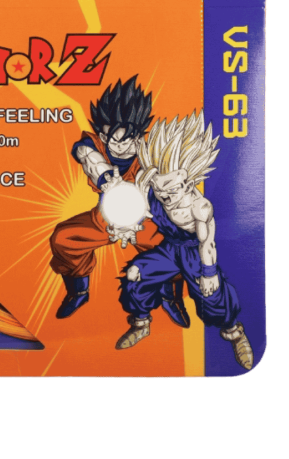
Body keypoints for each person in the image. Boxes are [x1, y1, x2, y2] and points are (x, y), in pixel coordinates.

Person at [112, 112, 254, 370]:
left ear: (187, 183)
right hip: (169, 249)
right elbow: (136, 206)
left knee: (213, 294)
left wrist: (209, 273)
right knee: (134, 275)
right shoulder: (150, 183)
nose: (164, 196)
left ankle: (234, 332)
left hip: (194, 252)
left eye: (171, 190)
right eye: (159, 189)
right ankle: (141, 323)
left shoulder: (199, 207)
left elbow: (207, 244)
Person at [50, 76, 190, 325]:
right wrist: (108, 179)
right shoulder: (92, 145)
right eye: (114, 139)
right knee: (64, 238)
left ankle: (171, 296)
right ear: (103, 136)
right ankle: (78, 292)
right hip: (105, 218)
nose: (122, 146)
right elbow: (87, 156)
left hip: (146, 221)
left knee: (173, 247)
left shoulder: (152, 150)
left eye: (129, 138)